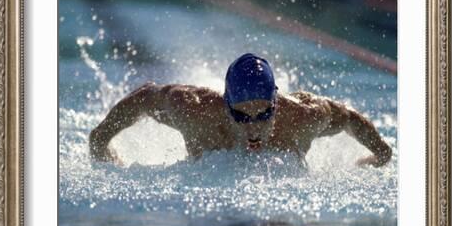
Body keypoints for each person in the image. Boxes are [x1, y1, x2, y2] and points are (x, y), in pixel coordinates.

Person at [89, 53, 392, 167]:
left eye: (263, 115)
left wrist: (379, 153)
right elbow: (146, 96)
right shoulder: (197, 113)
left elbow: (349, 118)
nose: (253, 127)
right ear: (225, 105)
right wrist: (101, 140)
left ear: (277, 104)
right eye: (240, 115)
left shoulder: (302, 117)